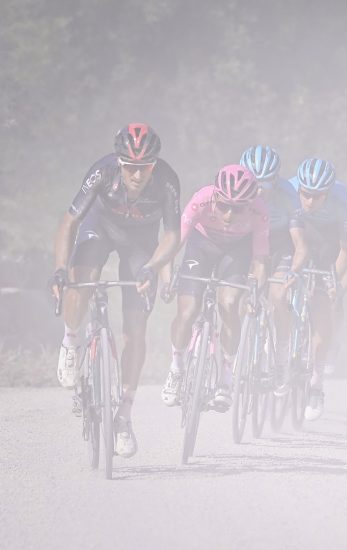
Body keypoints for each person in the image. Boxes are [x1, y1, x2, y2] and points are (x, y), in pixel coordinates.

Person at [49, 123, 181, 458]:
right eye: (131, 167)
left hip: (139, 243)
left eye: (145, 167)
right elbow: (69, 222)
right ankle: (71, 341)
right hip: (100, 228)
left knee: (135, 330)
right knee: (82, 281)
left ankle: (123, 417)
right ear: (120, 164)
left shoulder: (167, 181)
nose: (137, 175)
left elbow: (172, 235)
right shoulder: (102, 171)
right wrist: (60, 270)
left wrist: (153, 268)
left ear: (155, 164)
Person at [160, 164, 269, 411]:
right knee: (187, 312)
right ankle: (176, 368)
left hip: (236, 251)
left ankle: (226, 377)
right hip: (202, 245)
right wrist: (166, 278)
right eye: (223, 206)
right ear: (215, 196)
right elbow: (174, 243)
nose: (229, 214)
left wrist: (255, 291)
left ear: (250, 203)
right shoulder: (201, 199)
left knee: (230, 305)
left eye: (238, 208)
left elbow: (261, 259)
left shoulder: (260, 211)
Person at [289, 158, 347, 420]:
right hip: (297, 236)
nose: (309, 201)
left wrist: (332, 282)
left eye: (317, 197)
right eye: (305, 194)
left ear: (328, 193)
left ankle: (316, 385)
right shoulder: (288, 193)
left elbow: (346, 252)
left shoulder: (342, 206)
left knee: (322, 310)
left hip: (329, 242)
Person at [239, 145, 308, 390]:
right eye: (253, 183)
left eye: (265, 185)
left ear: (276, 182)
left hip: (280, 247)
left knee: (279, 297)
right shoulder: (236, 189)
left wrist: (294, 271)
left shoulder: (289, 195)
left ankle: (281, 358)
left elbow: (300, 244)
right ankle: (240, 352)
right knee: (238, 293)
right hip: (247, 245)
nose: (258, 191)